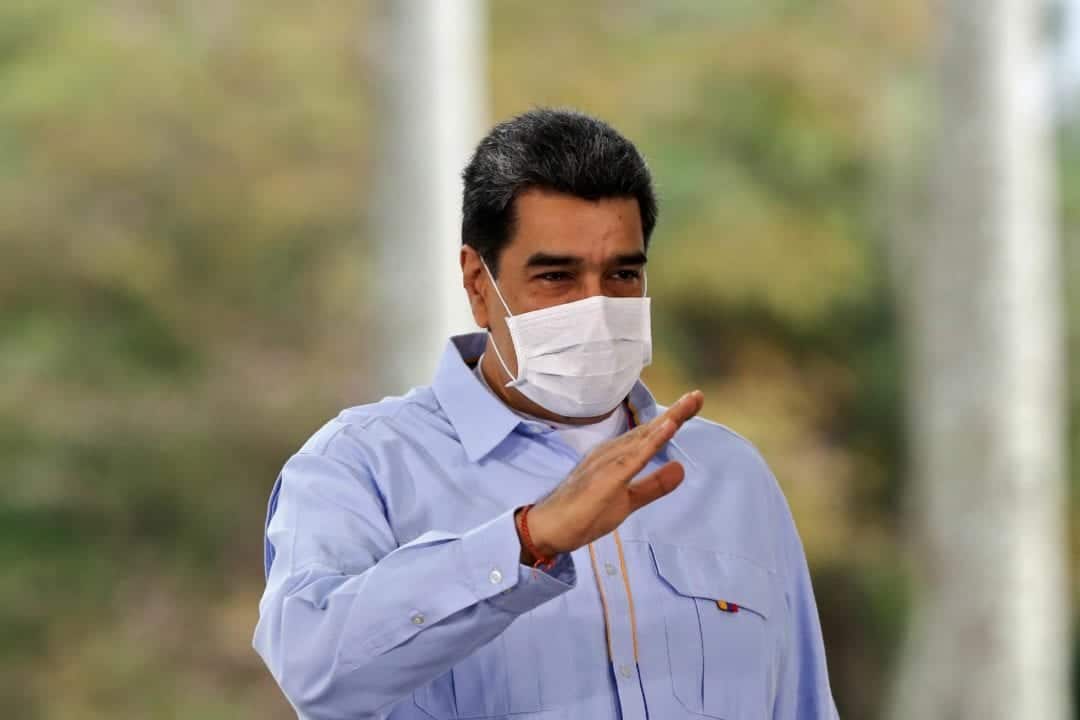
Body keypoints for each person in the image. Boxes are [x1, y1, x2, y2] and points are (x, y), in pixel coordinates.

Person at [253, 108, 838, 720]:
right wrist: (527, 540)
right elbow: (312, 672)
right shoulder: (361, 466)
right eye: (557, 276)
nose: (596, 305)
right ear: (478, 284)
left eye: (622, 273)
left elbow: (802, 704)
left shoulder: (729, 475)